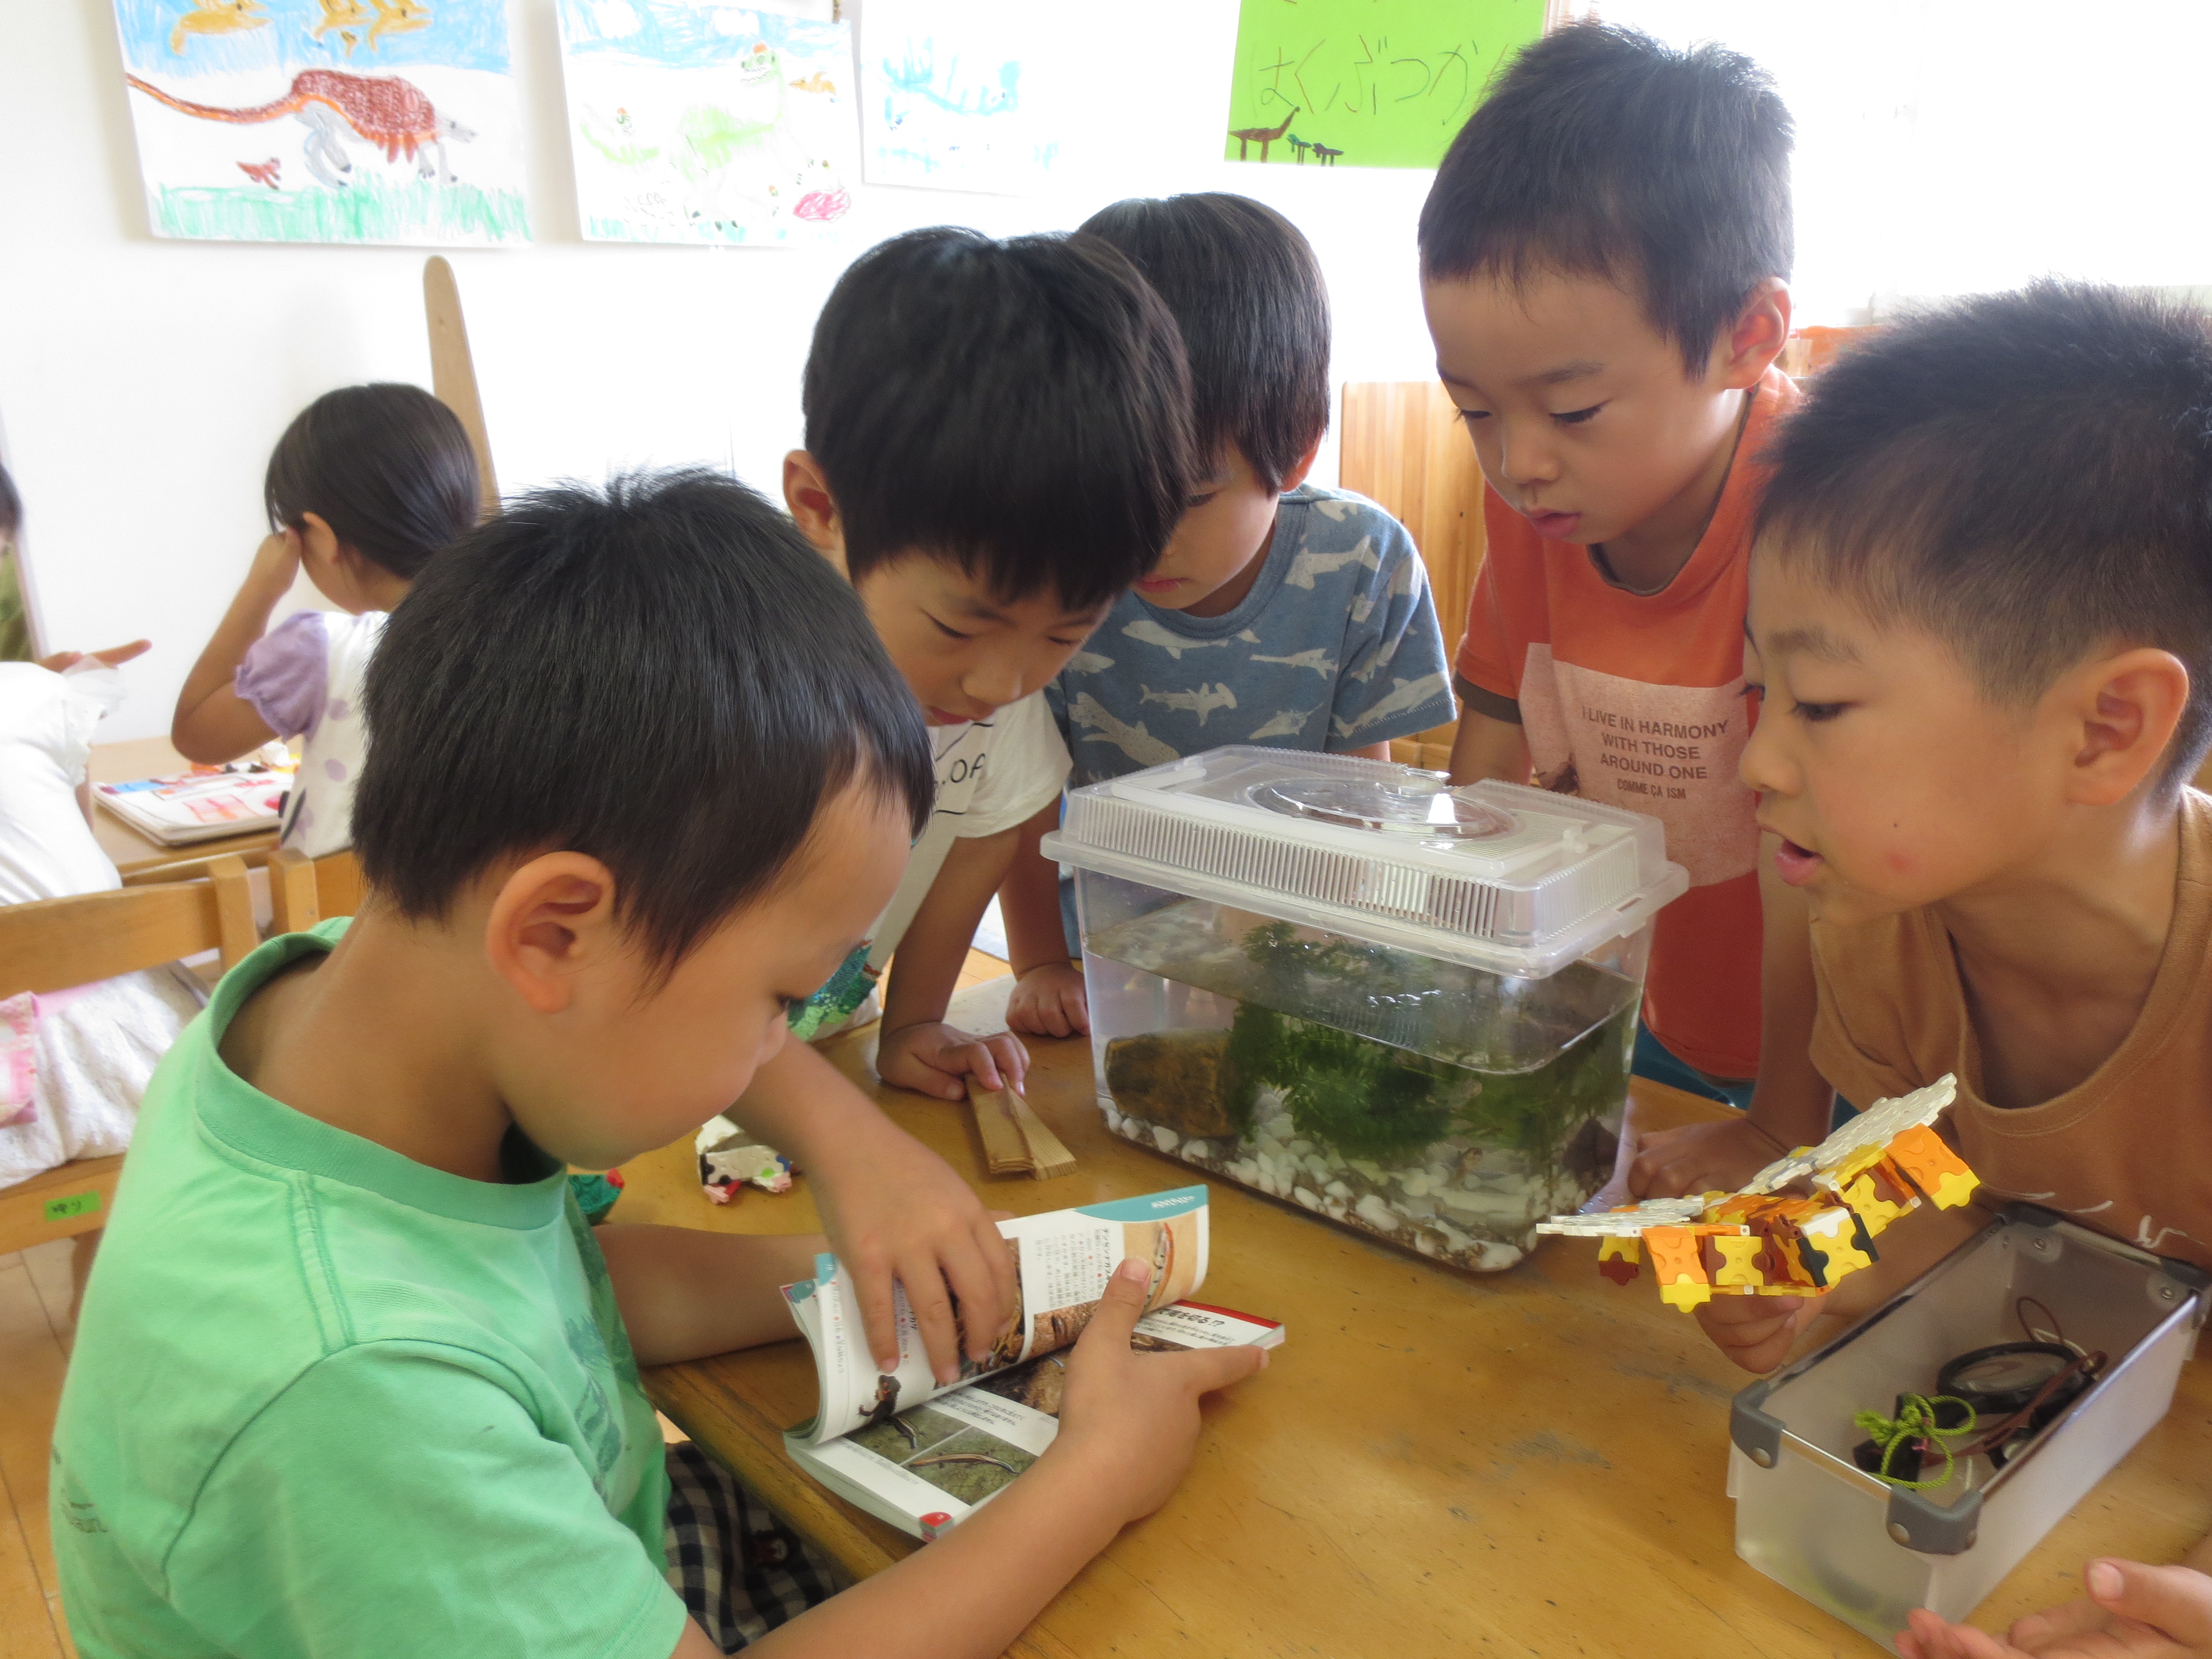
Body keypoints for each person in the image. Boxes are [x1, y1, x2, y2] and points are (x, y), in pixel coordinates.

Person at [51, 470, 1266, 1659]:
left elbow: (554, 1291)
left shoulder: (331, 1015)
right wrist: (1098, 1475)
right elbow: (433, 1359)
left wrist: (872, 1273)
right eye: (779, 1002)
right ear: (553, 933)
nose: (777, 1056)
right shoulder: (356, 1389)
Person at [1695, 282, 2212, 1659]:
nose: (1758, 758)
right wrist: (1818, 1264)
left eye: (1820, 703)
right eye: (1760, 692)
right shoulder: (1876, 928)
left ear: (2105, 728)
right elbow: (1928, 1194)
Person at [1417, 23, 1831, 1195]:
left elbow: (1820, 856)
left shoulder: (1824, 517)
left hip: (1835, 1051)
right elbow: (1493, 744)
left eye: (1572, 411)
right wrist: (1456, 978)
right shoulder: (1542, 508)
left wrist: (1785, 1121)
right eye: (1474, 412)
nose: (1519, 464)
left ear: (1746, 337)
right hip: (1638, 998)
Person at [996, 192, 1456, 1039]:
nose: (1141, 538)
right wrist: (1037, 964)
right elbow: (1018, 799)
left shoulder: (1363, 560)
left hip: (1294, 937)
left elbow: (1360, 802)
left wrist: (1301, 949)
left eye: (1190, 497)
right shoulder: (1060, 572)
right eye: (1110, 490)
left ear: (1298, 446)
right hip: (1109, 952)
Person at [774, 227, 1192, 1105]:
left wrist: (914, 1023)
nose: (1000, 687)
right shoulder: (740, 684)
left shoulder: (990, 701)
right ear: (820, 508)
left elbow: (979, 838)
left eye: (1062, 636)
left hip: (812, 1047)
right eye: (959, 626)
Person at [171, 383, 480, 856]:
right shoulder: (521, 637)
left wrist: (260, 590)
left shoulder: (325, 650)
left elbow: (197, 735)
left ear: (319, 535)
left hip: (342, 905)